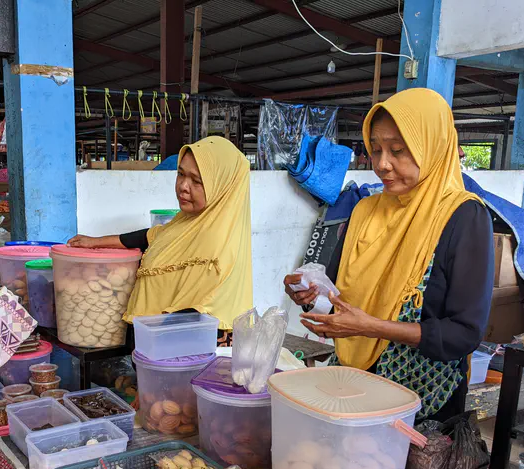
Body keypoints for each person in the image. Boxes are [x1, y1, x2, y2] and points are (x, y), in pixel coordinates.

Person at [284, 88, 494, 421]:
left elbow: (464, 333)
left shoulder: (464, 217)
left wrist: (373, 327)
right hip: (352, 386)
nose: (382, 164)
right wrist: (310, 295)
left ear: (432, 147)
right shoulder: (365, 211)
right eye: (376, 149)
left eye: (398, 150)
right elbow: (337, 293)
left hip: (423, 405)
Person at [68, 136, 253, 345]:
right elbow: (148, 237)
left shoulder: (218, 245)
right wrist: (94, 242)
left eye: (197, 181)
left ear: (222, 187)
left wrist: (151, 342)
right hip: (155, 347)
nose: (183, 186)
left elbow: (194, 311)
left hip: (184, 354)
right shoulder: (184, 224)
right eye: (181, 174)